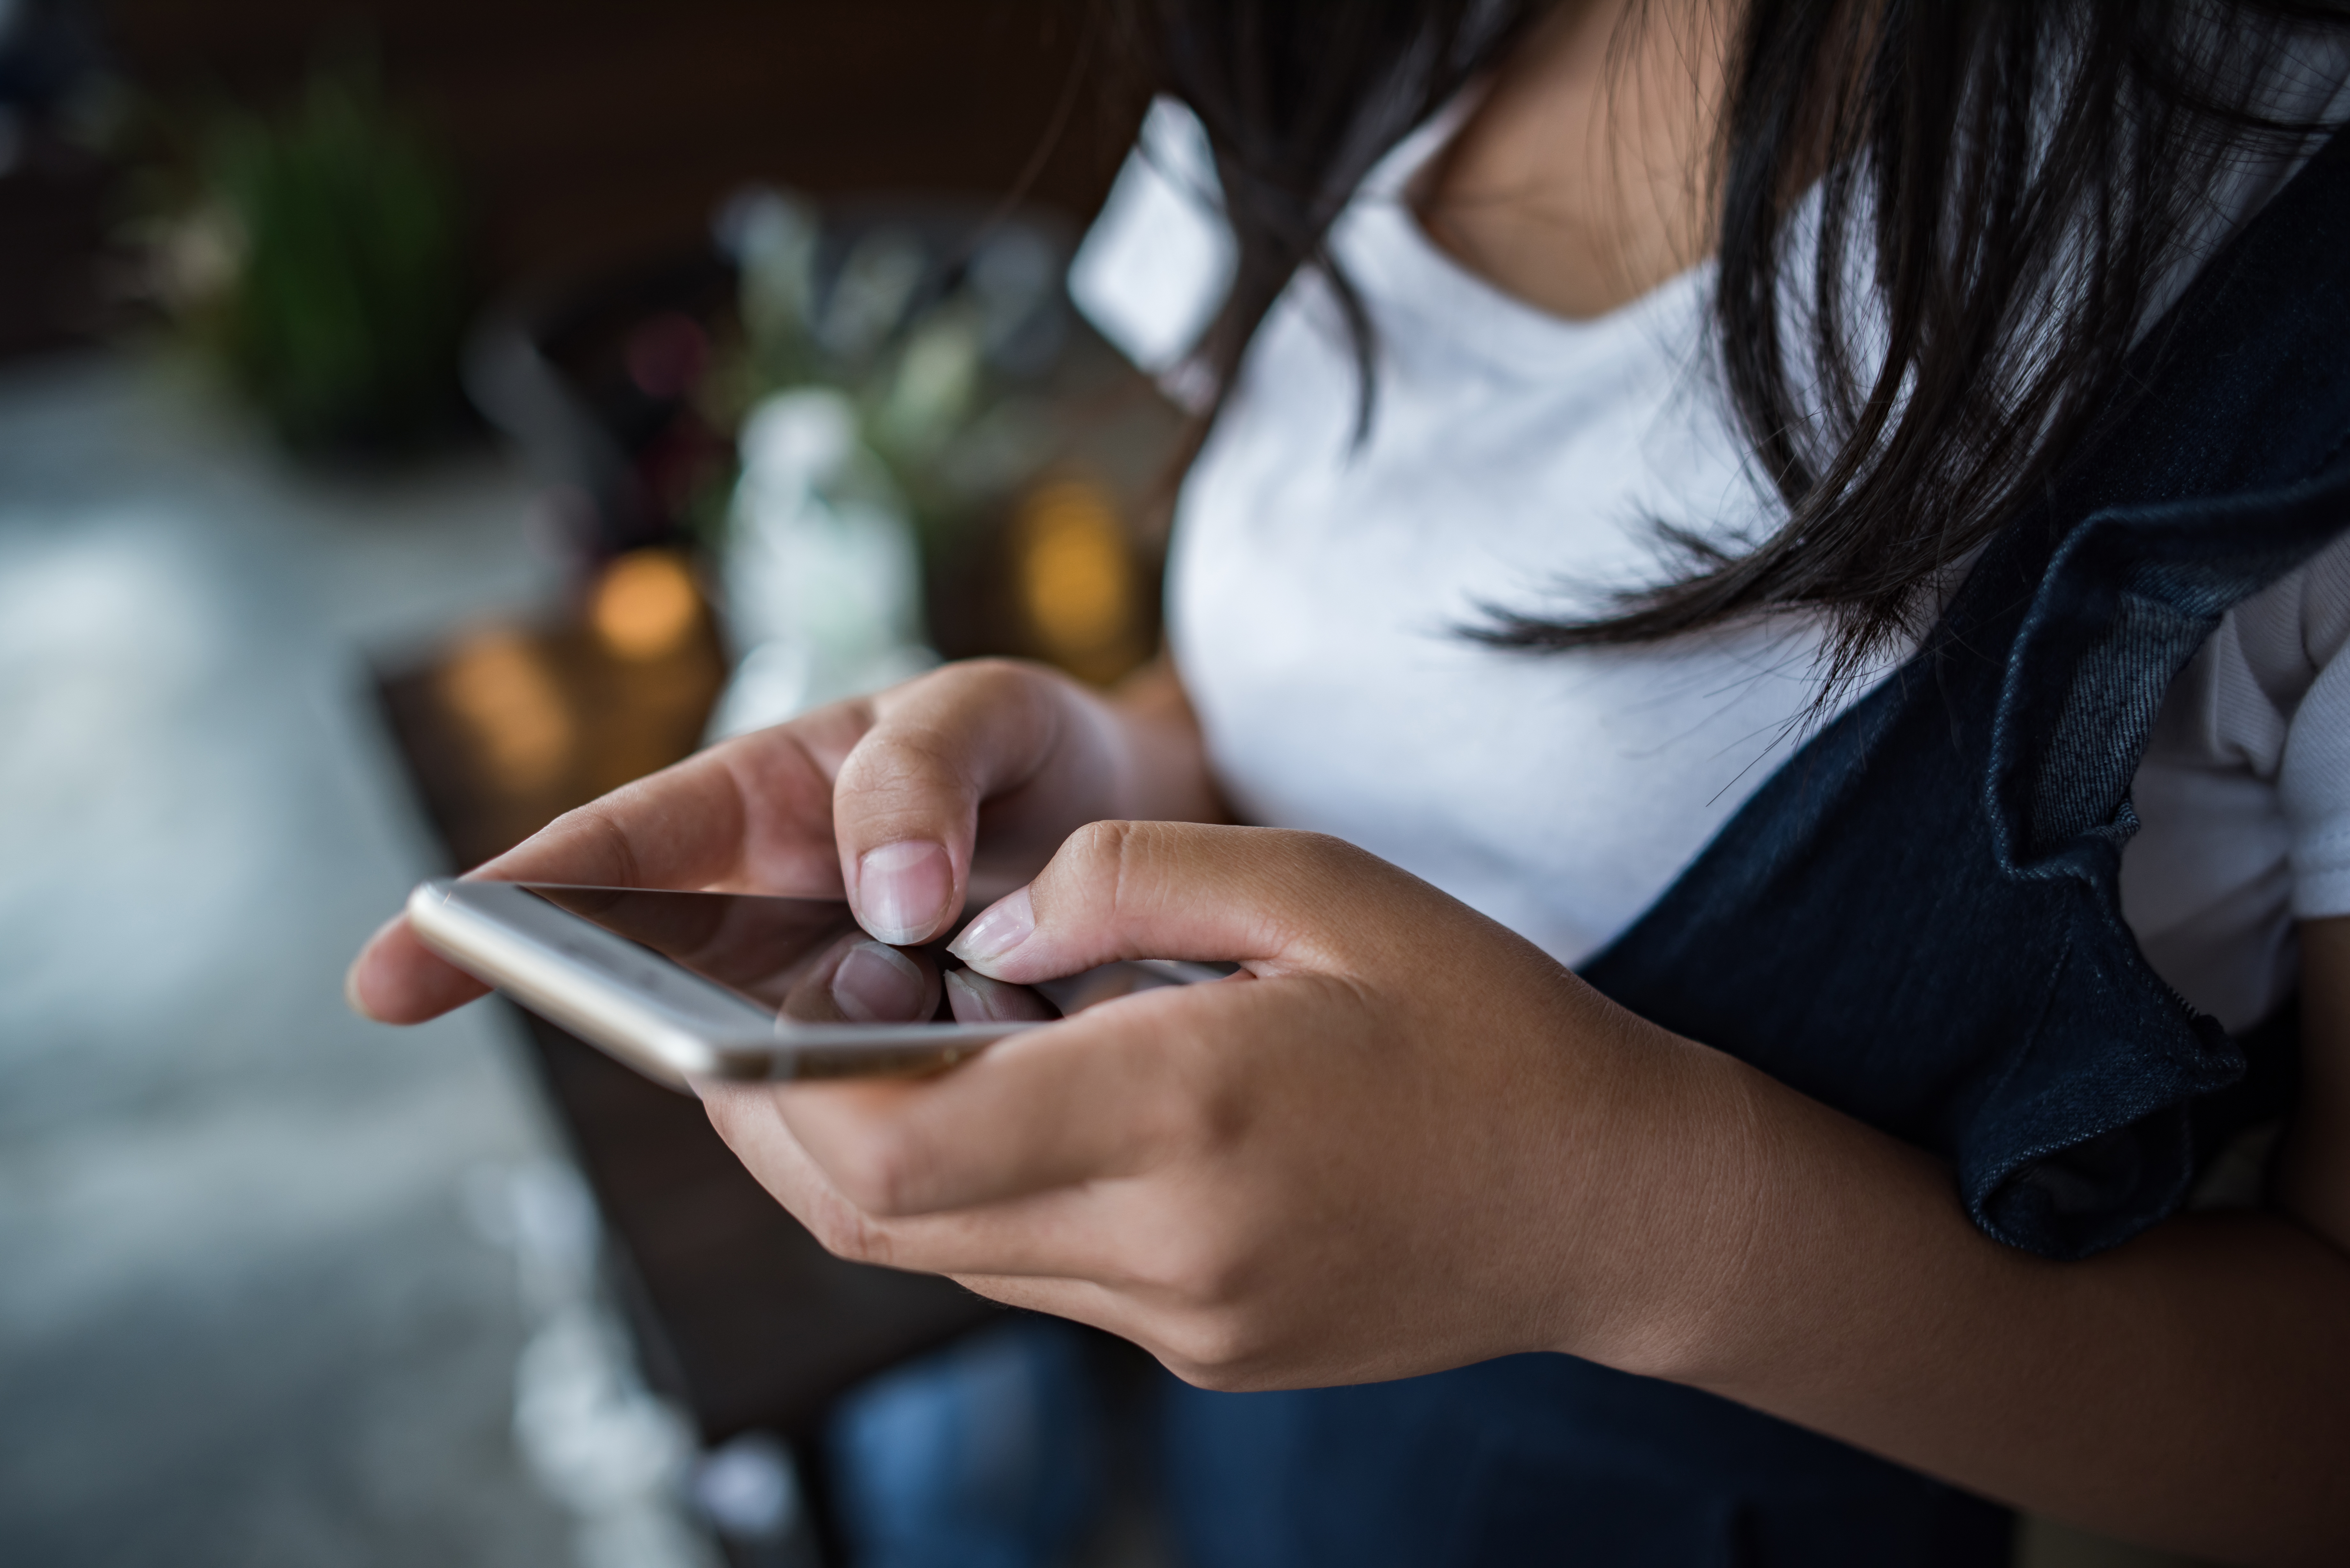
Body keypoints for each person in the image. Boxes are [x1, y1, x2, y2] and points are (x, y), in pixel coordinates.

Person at [351, 2, 2350, 1562]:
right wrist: (1115, 754)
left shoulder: (2282, 265)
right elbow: (1347, 655)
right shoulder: (1343, 38)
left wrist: (1615, 1224)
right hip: (1264, 1476)